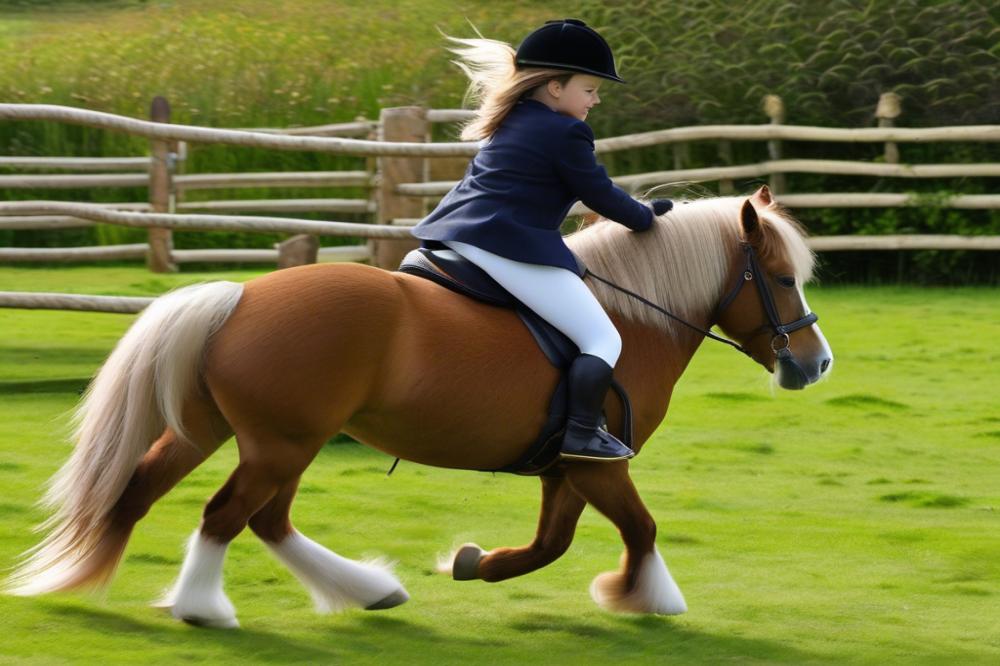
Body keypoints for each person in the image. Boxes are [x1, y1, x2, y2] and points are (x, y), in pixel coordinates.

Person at [411, 18, 673, 462]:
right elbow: (598, 193)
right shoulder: (565, 131)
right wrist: (644, 218)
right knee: (602, 340)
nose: (596, 99)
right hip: (506, 246)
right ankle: (581, 435)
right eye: (589, 89)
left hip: (447, 237)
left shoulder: (512, 119)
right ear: (554, 86)